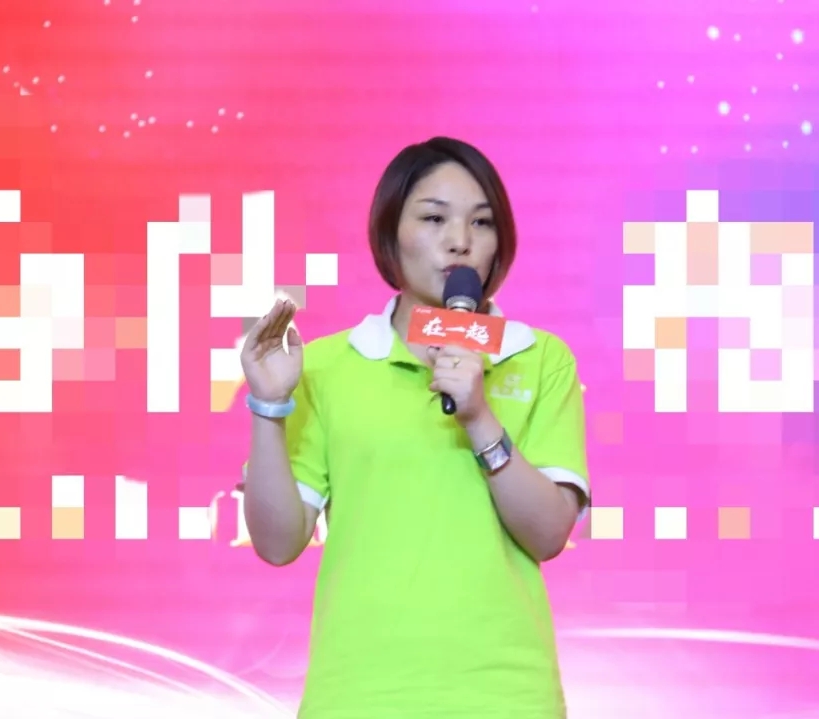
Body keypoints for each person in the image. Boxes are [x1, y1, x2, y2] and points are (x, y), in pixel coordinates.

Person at [239, 136, 590, 718]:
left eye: (482, 222)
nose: (460, 240)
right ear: (389, 234)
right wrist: (268, 405)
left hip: (505, 697)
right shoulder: (327, 366)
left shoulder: (539, 358)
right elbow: (277, 544)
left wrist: (479, 417)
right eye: (433, 218)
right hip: (359, 697)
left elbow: (549, 534)